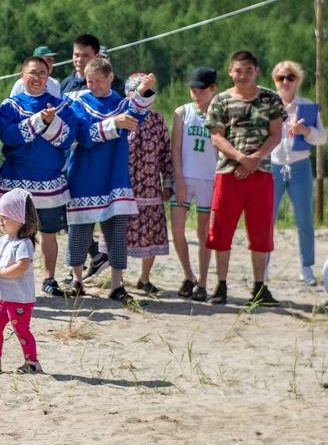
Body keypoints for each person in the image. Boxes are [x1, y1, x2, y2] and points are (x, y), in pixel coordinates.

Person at [64, 57, 154, 303]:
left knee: (116, 232)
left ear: (110, 78)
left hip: (114, 175)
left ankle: (117, 284)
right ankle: (76, 280)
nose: (93, 86)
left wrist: (144, 90)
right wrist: (114, 123)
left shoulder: (121, 103)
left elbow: (138, 112)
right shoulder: (78, 101)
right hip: (84, 173)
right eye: (90, 81)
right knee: (80, 230)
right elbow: (84, 135)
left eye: (99, 81)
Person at [205, 51, 287, 306]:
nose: (243, 75)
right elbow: (216, 137)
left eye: (248, 70)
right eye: (238, 71)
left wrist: (255, 159)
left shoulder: (270, 99)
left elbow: (276, 133)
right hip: (228, 174)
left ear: (257, 71)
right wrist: (242, 158)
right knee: (221, 231)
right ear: (230, 71)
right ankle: (220, 285)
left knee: (261, 231)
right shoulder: (220, 101)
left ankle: (259, 287)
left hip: (260, 174)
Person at [0, 55, 75, 297]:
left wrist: (51, 122)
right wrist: (40, 120)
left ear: (48, 76)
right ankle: (5, 274)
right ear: (22, 76)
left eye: (42, 73)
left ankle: (49, 279)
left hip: (49, 180)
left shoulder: (60, 105)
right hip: (16, 178)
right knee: (12, 232)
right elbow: (9, 137)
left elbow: (68, 140)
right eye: (32, 72)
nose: (38, 77)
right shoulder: (9, 106)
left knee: (49, 232)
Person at [269, 60, 325, 285]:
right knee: (266, 219)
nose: (285, 81)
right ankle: (262, 265)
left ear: (298, 81)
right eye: (281, 77)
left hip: (300, 165)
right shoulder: (268, 105)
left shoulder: (307, 106)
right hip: (273, 166)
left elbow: (322, 138)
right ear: (274, 80)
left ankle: (306, 267)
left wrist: (306, 130)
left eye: (290, 77)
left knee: (304, 219)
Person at [0, 188, 42, 375]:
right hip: (1, 296)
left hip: (20, 298)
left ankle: (32, 362)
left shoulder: (24, 243)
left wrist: (2, 273)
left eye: (6, 217)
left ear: (21, 220)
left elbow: (22, 266)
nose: (0, 221)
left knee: (21, 329)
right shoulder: (3, 240)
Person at [121, 73, 174, 296]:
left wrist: (168, 182)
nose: (145, 96)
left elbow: (165, 154)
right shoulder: (122, 118)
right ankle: (119, 280)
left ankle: (144, 279)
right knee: (120, 234)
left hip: (151, 188)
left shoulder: (158, 120)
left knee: (151, 235)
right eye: (140, 92)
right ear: (129, 94)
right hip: (124, 186)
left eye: (149, 92)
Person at [171, 67, 219, 300]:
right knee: (177, 230)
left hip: (209, 179)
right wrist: (178, 179)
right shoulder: (182, 112)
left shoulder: (221, 114)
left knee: (204, 233)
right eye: (192, 88)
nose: (196, 93)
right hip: (184, 177)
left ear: (213, 89)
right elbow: (176, 149)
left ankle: (202, 281)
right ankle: (188, 275)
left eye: (201, 89)